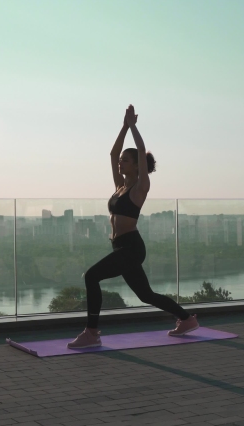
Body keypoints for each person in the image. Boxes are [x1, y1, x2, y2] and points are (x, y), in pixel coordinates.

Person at [67, 105, 199, 349]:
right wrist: (124, 126)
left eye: (125, 161)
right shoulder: (120, 186)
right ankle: (186, 318)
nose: (120, 163)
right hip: (120, 247)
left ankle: (91, 332)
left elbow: (139, 149)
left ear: (137, 165)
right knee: (145, 295)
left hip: (131, 247)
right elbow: (112, 153)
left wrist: (133, 126)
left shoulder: (140, 188)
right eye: (120, 161)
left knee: (91, 276)